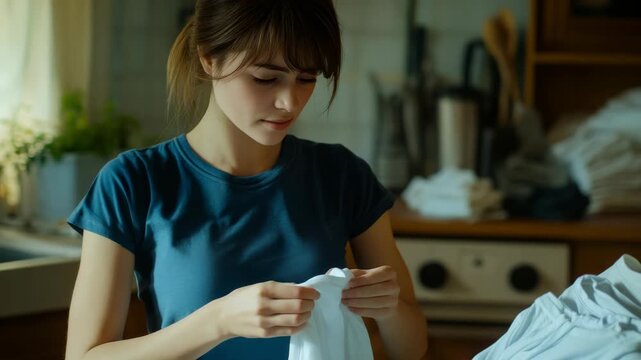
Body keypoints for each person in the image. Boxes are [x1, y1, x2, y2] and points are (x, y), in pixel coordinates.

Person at [64, 1, 428, 359]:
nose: (290, 101)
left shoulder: (342, 176)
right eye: (266, 78)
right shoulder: (131, 183)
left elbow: (412, 348)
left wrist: (389, 306)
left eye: (307, 78)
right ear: (209, 58)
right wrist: (218, 320)